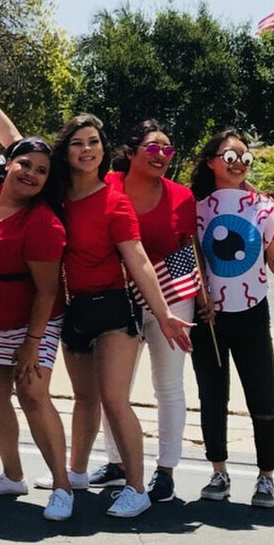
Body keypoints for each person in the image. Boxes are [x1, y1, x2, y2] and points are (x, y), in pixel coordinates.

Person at [0, 58, 192, 518]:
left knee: (111, 397)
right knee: (85, 398)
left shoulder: (114, 199)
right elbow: (14, 145)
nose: (87, 150)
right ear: (66, 152)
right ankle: (75, 472)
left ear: (103, 150)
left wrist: (165, 312)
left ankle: (136, 487)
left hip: (113, 309)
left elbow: (140, 260)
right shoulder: (55, 187)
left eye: (95, 143)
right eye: (79, 144)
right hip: (72, 310)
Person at [0, 136, 74, 521]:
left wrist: (31, 342)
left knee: (33, 393)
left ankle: (62, 485)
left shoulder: (44, 224)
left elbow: (47, 290)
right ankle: (12, 475)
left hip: (32, 321)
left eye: (42, 171)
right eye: (25, 164)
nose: (32, 174)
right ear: (8, 164)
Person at [89, 121, 198, 502]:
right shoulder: (109, 185)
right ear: (131, 152)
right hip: (118, 298)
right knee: (114, 386)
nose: (162, 156)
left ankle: (166, 470)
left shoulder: (183, 196)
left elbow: (187, 253)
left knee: (168, 384)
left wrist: (201, 300)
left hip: (171, 299)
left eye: (168, 149)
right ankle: (117, 462)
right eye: (153, 148)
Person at [190, 129, 274, 508]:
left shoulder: (264, 207)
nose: (240, 164)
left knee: (263, 393)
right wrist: (201, 298)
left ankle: (265, 477)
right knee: (212, 394)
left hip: (252, 310)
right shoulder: (194, 208)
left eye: (246, 158)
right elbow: (190, 258)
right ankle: (219, 471)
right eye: (231, 157)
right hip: (208, 315)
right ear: (212, 161)